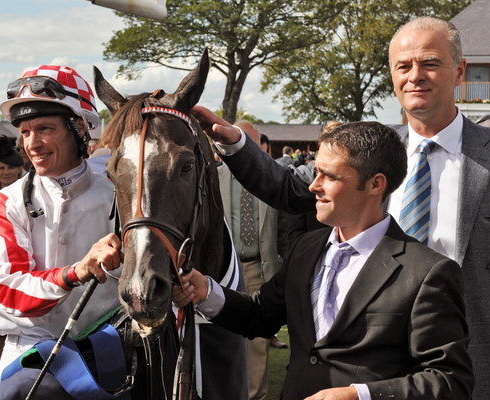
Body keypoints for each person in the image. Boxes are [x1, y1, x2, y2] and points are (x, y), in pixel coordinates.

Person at [174, 121, 474, 399]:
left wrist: (359, 395)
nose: (313, 186)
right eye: (315, 172)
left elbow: (449, 380)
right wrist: (206, 292)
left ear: (375, 184)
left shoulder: (427, 273)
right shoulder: (306, 249)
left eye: (328, 176)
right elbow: (260, 316)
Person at [0, 65, 122, 388]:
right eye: (26, 132)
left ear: (80, 128)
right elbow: (10, 291)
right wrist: (76, 272)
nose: (32, 144)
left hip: (105, 354)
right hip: (26, 355)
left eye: (45, 128)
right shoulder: (5, 202)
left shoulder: (119, 197)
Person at [386, 17, 490, 399]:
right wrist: (235, 146)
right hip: (384, 363)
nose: (416, 76)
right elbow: (295, 189)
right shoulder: (372, 155)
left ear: (459, 71)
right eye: (404, 65)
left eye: (429, 62)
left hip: (473, 362)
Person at [218, 120, 283, 400]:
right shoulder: (213, 178)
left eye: (251, 144)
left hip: (260, 269)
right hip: (223, 271)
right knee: (222, 337)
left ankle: (255, 396)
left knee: (257, 343)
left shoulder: (275, 178)